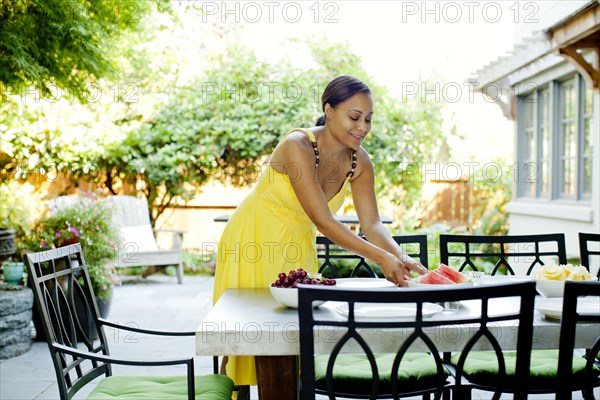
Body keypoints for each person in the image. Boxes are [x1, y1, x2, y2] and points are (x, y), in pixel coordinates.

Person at [213, 75, 428, 387]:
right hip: (253, 239)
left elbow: (372, 224)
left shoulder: (360, 162)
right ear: (329, 111)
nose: (363, 128)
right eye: (354, 117)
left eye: (368, 119)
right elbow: (323, 220)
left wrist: (401, 256)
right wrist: (382, 260)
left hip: (296, 248)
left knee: (291, 344)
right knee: (251, 340)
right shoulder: (296, 146)